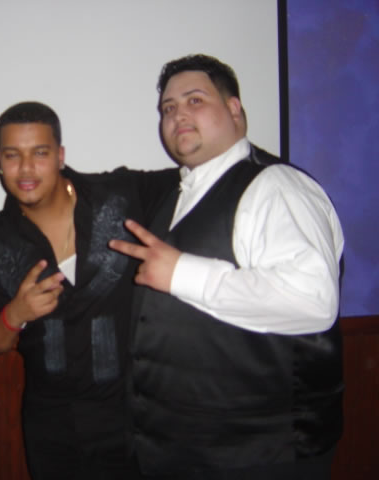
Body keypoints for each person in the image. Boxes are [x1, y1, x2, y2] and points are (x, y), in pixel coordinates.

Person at [109, 54, 345, 480]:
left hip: (261, 457)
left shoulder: (278, 186)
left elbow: (313, 300)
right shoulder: (178, 193)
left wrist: (182, 273)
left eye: (195, 100)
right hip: (183, 452)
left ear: (235, 109)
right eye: (168, 108)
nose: (178, 115)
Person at [0, 102, 178, 480]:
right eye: (12, 155)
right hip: (53, 431)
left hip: (132, 421)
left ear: (60, 155)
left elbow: (195, 177)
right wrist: (15, 314)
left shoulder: (119, 196)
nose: (26, 169)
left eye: (39, 153)